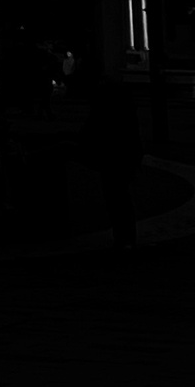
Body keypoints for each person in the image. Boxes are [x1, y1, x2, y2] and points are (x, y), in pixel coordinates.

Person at [81, 62, 144, 252]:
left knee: (116, 196)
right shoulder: (116, 92)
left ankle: (124, 238)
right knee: (120, 196)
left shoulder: (104, 97)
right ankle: (126, 238)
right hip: (124, 151)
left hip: (115, 153)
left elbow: (95, 125)